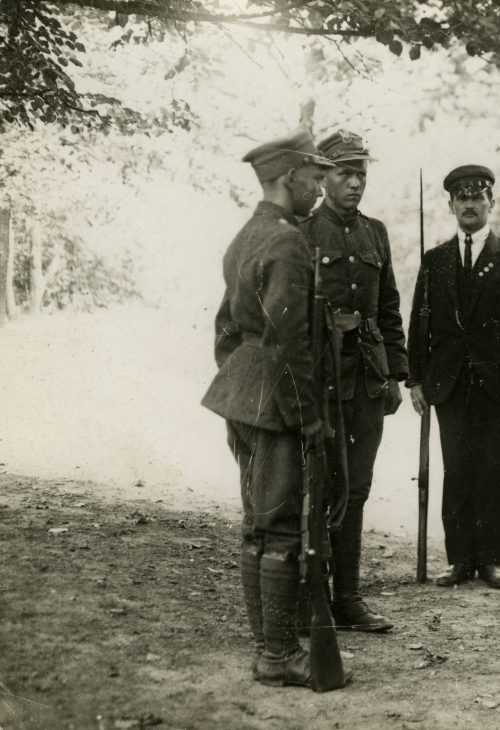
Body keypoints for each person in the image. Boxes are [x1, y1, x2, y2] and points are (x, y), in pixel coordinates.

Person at [200, 129, 346, 687]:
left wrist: (241, 378)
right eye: (313, 176)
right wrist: (308, 415)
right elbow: (291, 341)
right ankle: (278, 655)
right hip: (278, 404)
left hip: (247, 396)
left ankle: (270, 649)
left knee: (257, 526)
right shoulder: (286, 242)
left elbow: (226, 329)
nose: (318, 186)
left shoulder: (248, 234)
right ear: (291, 177)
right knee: (281, 528)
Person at [299, 129, 408, 633]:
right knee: (318, 486)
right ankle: (311, 595)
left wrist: (396, 375)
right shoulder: (302, 231)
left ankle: (348, 597)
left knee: (357, 489)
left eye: (361, 174)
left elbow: (389, 308)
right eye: (345, 173)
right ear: (323, 176)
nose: (355, 183)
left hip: (366, 378)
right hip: (322, 380)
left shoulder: (376, 233)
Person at [407, 165, 500, 589]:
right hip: (450, 382)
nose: (470, 204)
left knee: (493, 468)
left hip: (498, 383)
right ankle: (460, 559)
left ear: (491, 203)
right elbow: (418, 324)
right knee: (457, 469)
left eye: (478, 198)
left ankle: (491, 558)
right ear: (451, 206)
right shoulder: (435, 260)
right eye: (462, 198)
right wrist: (416, 379)